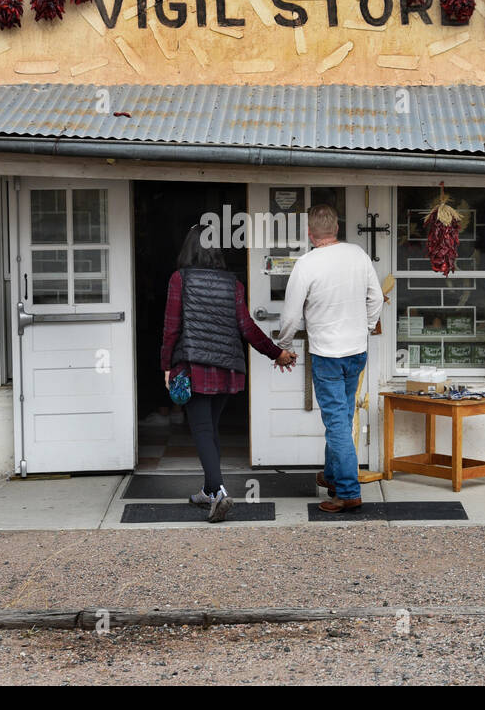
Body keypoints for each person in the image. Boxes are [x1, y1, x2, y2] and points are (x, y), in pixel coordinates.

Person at [162, 223, 296, 522]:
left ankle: (220, 493)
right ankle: (209, 491)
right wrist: (278, 353)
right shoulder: (232, 283)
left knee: (203, 431)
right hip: (227, 369)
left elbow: (171, 328)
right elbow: (246, 327)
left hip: (194, 367)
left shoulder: (179, 279)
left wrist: (167, 366)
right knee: (210, 429)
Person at [277, 204, 383, 513]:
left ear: (310, 234)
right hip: (356, 351)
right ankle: (334, 474)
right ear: (336, 229)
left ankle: (348, 492)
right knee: (343, 415)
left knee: (336, 421)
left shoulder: (307, 264)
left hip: (326, 354)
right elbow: (375, 298)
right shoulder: (358, 255)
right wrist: (364, 326)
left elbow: (291, 315)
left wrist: (283, 346)